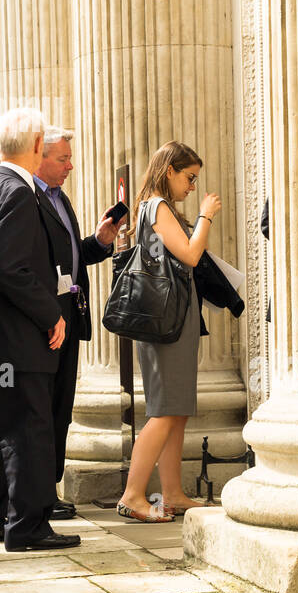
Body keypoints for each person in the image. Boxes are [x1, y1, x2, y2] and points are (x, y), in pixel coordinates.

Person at [0, 107, 81, 552]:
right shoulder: (15, 191)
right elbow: (10, 268)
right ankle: (28, 527)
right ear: (33, 147)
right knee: (28, 429)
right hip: (14, 338)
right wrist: (51, 314)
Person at [116, 141, 221, 523]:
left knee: (176, 410)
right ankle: (132, 495)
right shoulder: (157, 207)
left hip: (175, 317)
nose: (192, 186)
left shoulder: (155, 208)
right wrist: (206, 217)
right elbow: (190, 255)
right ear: (170, 171)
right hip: (167, 321)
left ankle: (172, 492)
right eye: (189, 178)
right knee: (163, 411)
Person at [34, 127, 122, 518]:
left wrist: (99, 241)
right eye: (63, 159)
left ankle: (49, 489)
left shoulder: (60, 198)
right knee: (40, 408)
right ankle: (37, 495)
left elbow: (69, 260)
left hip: (69, 316)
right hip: (43, 321)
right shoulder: (28, 196)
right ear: (40, 157)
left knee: (61, 407)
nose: (71, 165)